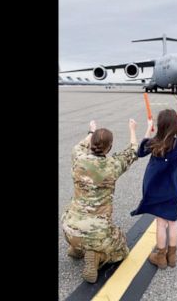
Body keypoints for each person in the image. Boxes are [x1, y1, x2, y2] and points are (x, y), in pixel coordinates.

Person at [61, 119, 138, 283]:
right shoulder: (112, 165)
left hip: (69, 228)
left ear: (91, 143)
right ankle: (96, 255)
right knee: (122, 248)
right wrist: (132, 129)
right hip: (96, 233)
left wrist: (91, 132)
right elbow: (133, 150)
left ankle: (76, 247)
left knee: (80, 226)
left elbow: (81, 145)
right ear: (109, 148)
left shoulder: (78, 157)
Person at [130, 109, 177, 269]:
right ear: (175, 126)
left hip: (156, 190)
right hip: (173, 190)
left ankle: (161, 256)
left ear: (160, 126)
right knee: (172, 222)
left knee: (160, 223)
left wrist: (147, 129)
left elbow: (140, 151)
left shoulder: (154, 143)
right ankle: (172, 256)